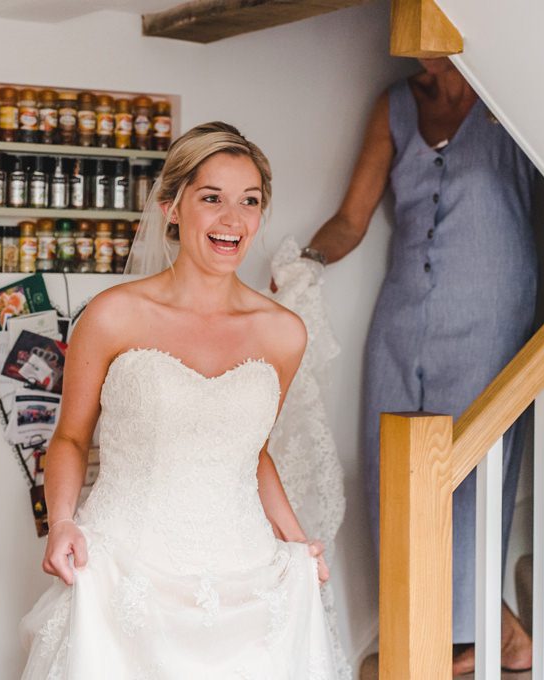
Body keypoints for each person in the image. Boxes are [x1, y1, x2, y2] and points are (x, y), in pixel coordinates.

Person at [21, 122, 341, 678]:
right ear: (171, 207)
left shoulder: (283, 332)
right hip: (126, 571)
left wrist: (298, 542)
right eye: (211, 198)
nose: (232, 220)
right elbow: (71, 438)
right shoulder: (113, 315)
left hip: (245, 579)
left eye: (249, 201)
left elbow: (252, 451)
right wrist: (62, 524)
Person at [298, 57, 537, 673]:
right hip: (402, 315)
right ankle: (465, 632)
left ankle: (469, 639)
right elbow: (352, 220)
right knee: (390, 473)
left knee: (472, 482)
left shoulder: (511, 96)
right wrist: (303, 264)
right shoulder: (394, 106)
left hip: (490, 312)